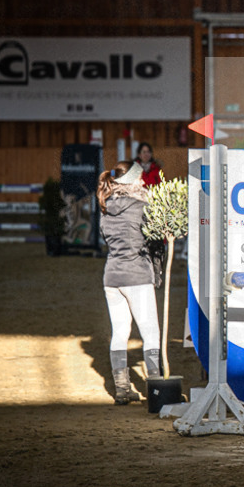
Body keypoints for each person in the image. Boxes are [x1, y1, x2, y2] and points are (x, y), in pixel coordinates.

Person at [96, 160, 161, 405]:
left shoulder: (106, 206)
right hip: (137, 277)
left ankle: (122, 389)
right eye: (140, 177)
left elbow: (107, 239)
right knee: (150, 333)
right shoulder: (142, 206)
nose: (143, 181)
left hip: (112, 277)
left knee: (120, 332)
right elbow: (155, 237)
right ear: (132, 180)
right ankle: (155, 389)